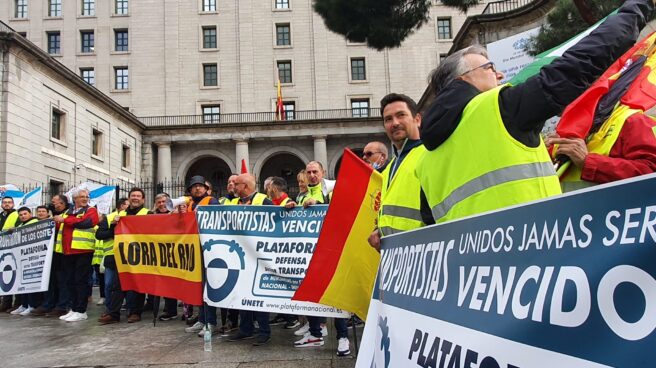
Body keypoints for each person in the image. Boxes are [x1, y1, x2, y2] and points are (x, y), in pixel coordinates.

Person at [417, 0, 655, 224]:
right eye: (490, 67)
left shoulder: (425, 160)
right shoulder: (500, 107)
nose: (499, 75)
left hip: (474, 266)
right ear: (463, 79)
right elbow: (580, 63)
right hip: (537, 252)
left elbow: (431, 223)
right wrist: (638, 7)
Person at [289, 161, 351, 357]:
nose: (312, 175)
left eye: (315, 171)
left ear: (322, 172)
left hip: (332, 250)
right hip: (310, 253)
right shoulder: (302, 195)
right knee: (311, 294)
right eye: (309, 172)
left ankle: (342, 337)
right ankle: (315, 333)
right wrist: (292, 207)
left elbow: (341, 210)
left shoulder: (331, 190)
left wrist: (320, 204)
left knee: (337, 295)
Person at [368, 94, 430, 252]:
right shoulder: (389, 168)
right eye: (388, 119)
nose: (394, 123)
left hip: (425, 254)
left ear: (417, 119)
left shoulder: (430, 154)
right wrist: (379, 230)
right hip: (395, 258)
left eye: (401, 115)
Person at [546, 113, 656, 191]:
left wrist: (588, 162)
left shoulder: (633, 120)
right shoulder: (566, 123)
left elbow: (650, 173)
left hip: (610, 218)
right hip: (566, 219)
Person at [226, 173, 273, 346]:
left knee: (259, 295)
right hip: (240, 256)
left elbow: (275, 222)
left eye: (236, 184)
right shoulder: (233, 201)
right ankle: (245, 329)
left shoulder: (263, 200)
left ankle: (264, 331)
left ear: (245, 186)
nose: (233, 186)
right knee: (242, 294)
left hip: (258, 256)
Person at [96, 190, 149, 324]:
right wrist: (114, 225)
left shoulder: (148, 214)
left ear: (143, 199)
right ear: (129, 199)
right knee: (117, 285)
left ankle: (135, 312)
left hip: (139, 256)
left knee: (137, 285)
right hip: (121, 256)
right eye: (133, 196)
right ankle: (113, 314)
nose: (135, 198)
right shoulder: (120, 215)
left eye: (138, 196)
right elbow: (104, 234)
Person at [54, 188, 99, 322]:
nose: (85, 199)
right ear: (75, 199)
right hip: (67, 251)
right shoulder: (69, 211)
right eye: (82, 196)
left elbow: (87, 223)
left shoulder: (91, 210)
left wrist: (65, 220)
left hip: (83, 251)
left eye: (86, 196)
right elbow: (61, 226)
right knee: (70, 281)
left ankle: (81, 310)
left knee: (80, 281)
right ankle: (73, 309)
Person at [184, 176, 221, 336]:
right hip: (194, 250)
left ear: (206, 189)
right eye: (194, 187)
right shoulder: (190, 204)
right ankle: (202, 319)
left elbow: (219, 220)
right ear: (190, 190)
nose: (197, 189)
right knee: (198, 286)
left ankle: (211, 322)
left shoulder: (211, 201)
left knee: (208, 286)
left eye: (200, 186)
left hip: (208, 250)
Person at [32, 195, 71, 317]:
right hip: (52, 253)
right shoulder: (54, 215)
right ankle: (49, 304)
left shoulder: (68, 214)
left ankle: (62, 305)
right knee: (50, 280)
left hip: (63, 253)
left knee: (62, 280)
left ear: (62, 203)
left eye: (54, 202)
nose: (52, 204)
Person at [151, 193, 179, 321]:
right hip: (156, 253)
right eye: (159, 202)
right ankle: (168, 309)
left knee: (174, 283)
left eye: (164, 201)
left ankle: (179, 309)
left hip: (174, 252)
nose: (162, 204)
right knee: (162, 283)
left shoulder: (176, 214)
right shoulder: (150, 216)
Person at [10, 207, 41, 316]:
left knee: (30, 283)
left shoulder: (34, 223)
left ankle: (31, 305)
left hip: (31, 258)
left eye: (25, 214)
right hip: (22, 258)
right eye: (21, 215)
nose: (23, 216)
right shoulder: (20, 226)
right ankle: (24, 304)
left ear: (30, 214)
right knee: (22, 284)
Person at [0, 196, 20, 312]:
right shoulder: (1, 216)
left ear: (13, 204)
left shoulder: (16, 214)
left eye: (9, 202)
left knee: (13, 275)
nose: (7, 204)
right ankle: (5, 302)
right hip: (2, 248)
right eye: (5, 202)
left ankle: (16, 303)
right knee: (4, 276)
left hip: (13, 249)